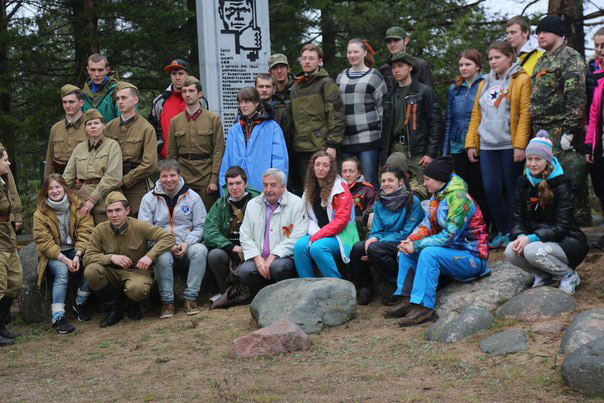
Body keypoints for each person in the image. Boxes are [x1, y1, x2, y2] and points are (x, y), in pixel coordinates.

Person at [384, 156, 490, 326]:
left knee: (428, 253)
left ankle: (424, 308)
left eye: (427, 179)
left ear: (439, 180)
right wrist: (410, 240)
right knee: (407, 251)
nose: (424, 183)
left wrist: (417, 245)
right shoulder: (437, 196)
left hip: (472, 258)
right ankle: (407, 299)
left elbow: (449, 236)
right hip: (450, 253)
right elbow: (427, 226)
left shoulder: (459, 198)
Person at [465, 41, 531, 249]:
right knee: (491, 189)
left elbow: (524, 114)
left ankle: (515, 230)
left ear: (509, 57)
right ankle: (502, 229)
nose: (492, 62)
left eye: (497, 57)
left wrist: (520, 145)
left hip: (509, 144)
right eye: (490, 58)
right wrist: (471, 143)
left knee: (511, 188)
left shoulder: (520, 79)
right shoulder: (484, 82)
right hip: (487, 145)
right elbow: (476, 114)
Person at [505, 132, 588, 295]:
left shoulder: (561, 185)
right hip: (537, 241)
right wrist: (521, 235)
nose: (533, 164)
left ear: (547, 161)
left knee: (531, 250)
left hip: (567, 242)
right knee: (510, 251)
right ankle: (544, 275)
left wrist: (531, 238)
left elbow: (562, 226)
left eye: (538, 159)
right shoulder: (523, 184)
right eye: (530, 159)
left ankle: (568, 275)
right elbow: (517, 218)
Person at [530, 15, 590, 227]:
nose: (540, 35)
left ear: (558, 33)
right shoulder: (543, 59)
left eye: (544, 31)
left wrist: (570, 129)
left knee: (570, 176)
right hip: (542, 129)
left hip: (560, 128)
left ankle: (579, 222)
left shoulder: (569, 57)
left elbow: (576, 95)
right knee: (551, 176)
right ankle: (560, 221)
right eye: (537, 32)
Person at [84, 192, 175, 327]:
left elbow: (168, 238)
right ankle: (115, 308)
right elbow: (87, 258)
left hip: (137, 272)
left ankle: (133, 304)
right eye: (109, 211)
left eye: (118, 210)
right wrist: (111, 257)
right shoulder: (100, 230)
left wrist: (150, 256)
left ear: (127, 210)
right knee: (91, 271)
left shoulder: (140, 226)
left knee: (137, 289)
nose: (113, 215)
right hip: (113, 273)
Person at [138, 159, 208, 319]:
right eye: (164, 176)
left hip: (187, 244)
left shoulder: (193, 197)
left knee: (201, 250)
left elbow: (200, 226)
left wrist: (186, 243)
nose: (169, 180)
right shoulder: (148, 199)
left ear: (179, 175)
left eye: (172, 175)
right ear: (159, 177)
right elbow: (146, 229)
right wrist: (167, 245)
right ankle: (167, 302)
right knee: (162, 257)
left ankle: (190, 298)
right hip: (162, 246)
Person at [348, 165, 424, 305]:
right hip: (383, 242)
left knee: (374, 249)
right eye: (383, 181)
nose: (386, 184)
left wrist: (377, 241)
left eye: (390, 180)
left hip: (405, 241)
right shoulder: (379, 201)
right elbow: (376, 229)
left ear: (400, 182)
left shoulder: (412, 201)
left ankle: (399, 286)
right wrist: (373, 238)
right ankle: (364, 286)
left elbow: (407, 232)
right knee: (358, 248)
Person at [33, 174, 94, 333]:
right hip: (54, 253)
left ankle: (80, 302)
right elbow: (44, 242)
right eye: (50, 188)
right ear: (46, 192)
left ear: (65, 188)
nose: (54, 191)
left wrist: (78, 255)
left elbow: (86, 232)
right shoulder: (40, 213)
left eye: (58, 187)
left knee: (93, 263)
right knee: (61, 272)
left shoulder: (79, 206)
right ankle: (58, 318)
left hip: (75, 249)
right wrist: (65, 260)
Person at [442, 50, 491, 228]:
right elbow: (448, 119)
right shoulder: (454, 88)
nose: (463, 68)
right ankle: (469, 225)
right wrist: (445, 149)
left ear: (478, 65)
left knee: (480, 186)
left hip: (478, 143)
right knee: (464, 188)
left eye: (468, 64)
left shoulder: (485, 84)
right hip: (456, 143)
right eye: (461, 64)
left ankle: (487, 224)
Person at [238, 168, 307, 294]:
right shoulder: (253, 204)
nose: (268, 190)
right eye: (265, 185)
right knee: (244, 271)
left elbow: (298, 235)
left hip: (284, 257)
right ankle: (265, 295)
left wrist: (274, 255)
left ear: (283, 186)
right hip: (259, 257)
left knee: (278, 267)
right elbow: (245, 235)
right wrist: (257, 258)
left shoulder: (296, 203)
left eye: (273, 185)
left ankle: (286, 294)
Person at [294, 151, 359, 278]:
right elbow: (305, 217)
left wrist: (317, 236)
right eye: (317, 164)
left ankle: (337, 285)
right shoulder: (309, 189)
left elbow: (340, 222)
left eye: (325, 165)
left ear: (331, 168)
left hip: (341, 235)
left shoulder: (340, 188)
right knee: (299, 246)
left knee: (318, 248)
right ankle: (307, 285)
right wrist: (315, 234)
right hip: (318, 233)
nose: (320, 168)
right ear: (312, 167)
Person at [380, 51, 442, 183]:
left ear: (410, 67)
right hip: (395, 148)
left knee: (421, 188)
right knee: (393, 189)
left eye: (400, 66)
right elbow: (385, 127)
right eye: (394, 67)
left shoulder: (424, 91)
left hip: (418, 150)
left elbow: (436, 123)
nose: (396, 70)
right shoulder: (389, 95)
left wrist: (430, 153)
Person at [167, 76, 225, 212]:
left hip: (206, 176)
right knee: (183, 216)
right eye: (184, 91)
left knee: (207, 216)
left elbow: (218, 150)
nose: (187, 94)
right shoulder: (175, 121)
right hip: (183, 176)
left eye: (191, 91)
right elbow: (172, 154)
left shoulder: (213, 119)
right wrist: (173, 178)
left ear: (199, 94)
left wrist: (214, 179)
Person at [290, 44, 345, 183]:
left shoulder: (327, 84)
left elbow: (336, 115)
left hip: (322, 147)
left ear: (320, 61)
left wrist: (332, 145)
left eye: (311, 58)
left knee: (327, 188)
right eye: (304, 58)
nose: (307, 61)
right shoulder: (295, 88)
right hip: (301, 149)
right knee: (308, 190)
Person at [337, 38, 387, 188]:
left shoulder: (374, 76)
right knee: (347, 182)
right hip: (346, 139)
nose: (352, 55)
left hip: (368, 138)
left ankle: (371, 211)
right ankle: (351, 211)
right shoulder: (341, 77)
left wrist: (383, 136)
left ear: (364, 53)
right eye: (349, 52)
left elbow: (382, 108)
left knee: (369, 180)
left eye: (356, 51)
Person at [218, 87, 288, 194]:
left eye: (247, 101)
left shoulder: (272, 128)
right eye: (240, 102)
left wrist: (276, 187)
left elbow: (279, 160)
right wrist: (224, 190)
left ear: (256, 103)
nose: (243, 105)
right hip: (238, 190)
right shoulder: (234, 130)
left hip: (263, 188)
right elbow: (226, 162)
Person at [104, 82, 158, 216]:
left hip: (136, 186)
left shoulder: (146, 128)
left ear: (135, 100)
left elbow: (150, 164)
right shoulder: (110, 127)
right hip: (111, 184)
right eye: (118, 99)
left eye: (124, 98)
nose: (120, 102)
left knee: (136, 221)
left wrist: (125, 180)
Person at [204, 166, 260, 295]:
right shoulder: (220, 204)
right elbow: (209, 231)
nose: (234, 188)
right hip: (230, 248)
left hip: (254, 248)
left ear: (245, 183)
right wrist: (231, 247)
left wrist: (248, 249)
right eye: (230, 184)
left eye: (238, 183)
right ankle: (226, 293)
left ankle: (254, 292)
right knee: (215, 255)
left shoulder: (258, 201)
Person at [63, 109, 123, 225]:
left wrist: (93, 199)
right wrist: (58, 195)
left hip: (106, 200)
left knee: (105, 236)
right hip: (82, 202)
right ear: (85, 129)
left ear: (103, 126)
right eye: (89, 124)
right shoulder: (79, 148)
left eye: (96, 123)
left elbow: (113, 176)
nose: (93, 126)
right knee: (85, 237)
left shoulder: (112, 145)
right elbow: (68, 176)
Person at [149, 59, 209, 159]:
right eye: (173, 74)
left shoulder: (201, 100)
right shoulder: (159, 102)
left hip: (196, 160)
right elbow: (152, 131)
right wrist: (161, 148)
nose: (177, 77)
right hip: (168, 160)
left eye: (180, 73)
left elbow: (207, 127)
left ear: (188, 75)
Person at [0, 145, 23, 346]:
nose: (9, 163)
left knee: (13, 281)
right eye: (5, 159)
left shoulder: (3, 181)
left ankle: (1, 326)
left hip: (7, 233)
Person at [585, 27, 604, 249]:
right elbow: (592, 113)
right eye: (596, 45)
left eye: (603, 45)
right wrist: (589, 145)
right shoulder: (594, 72)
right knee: (600, 188)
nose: (599, 50)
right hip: (598, 143)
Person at [44, 84, 87, 178]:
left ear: (81, 103)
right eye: (64, 102)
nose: (67, 106)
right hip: (60, 182)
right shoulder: (56, 128)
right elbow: (49, 161)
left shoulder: (90, 125)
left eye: (71, 102)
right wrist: (47, 185)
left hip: (82, 182)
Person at [378, 26, 435, 92]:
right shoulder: (384, 69)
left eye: (396, 40)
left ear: (406, 41)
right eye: (389, 42)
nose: (392, 44)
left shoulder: (421, 65)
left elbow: (430, 95)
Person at [255, 73, 294, 162]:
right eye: (261, 87)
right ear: (255, 89)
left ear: (274, 89)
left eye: (268, 87)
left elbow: (287, 141)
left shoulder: (283, 112)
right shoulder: (247, 112)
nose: (264, 90)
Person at [341, 156, 377, 239]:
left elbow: (370, 212)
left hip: (360, 231)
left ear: (359, 173)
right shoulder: (337, 190)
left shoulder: (367, 189)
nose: (347, 175)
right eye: (344, 171)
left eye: (351, 171)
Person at [81, 54, 120, 123]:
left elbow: (124, 120)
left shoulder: (118, 91)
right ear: (87, 70)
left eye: (100, 70)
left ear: (107, 70)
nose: (96, 74)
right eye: (92, 70)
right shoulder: (82, 94)